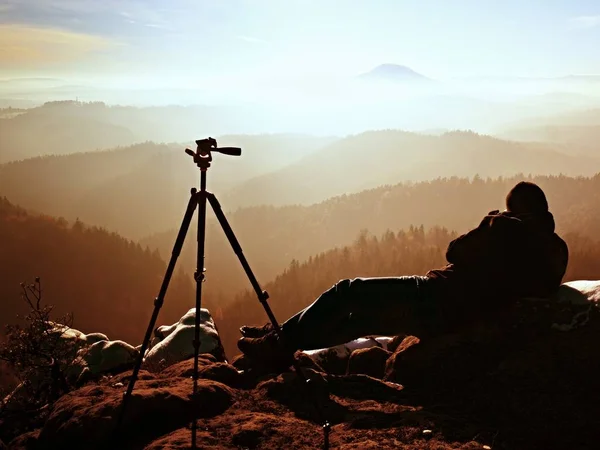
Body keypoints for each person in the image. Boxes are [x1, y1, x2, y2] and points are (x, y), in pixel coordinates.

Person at [237, 181, 569, 370]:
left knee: (347, 291)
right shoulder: (556, 249)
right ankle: (281, 340)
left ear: (514, 209)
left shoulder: (503, 228)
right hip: (452, 317)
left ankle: (277, 342)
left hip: (435, 293)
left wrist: (489, 222)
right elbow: (544, 286)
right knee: (356, 322)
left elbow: (453, 253)